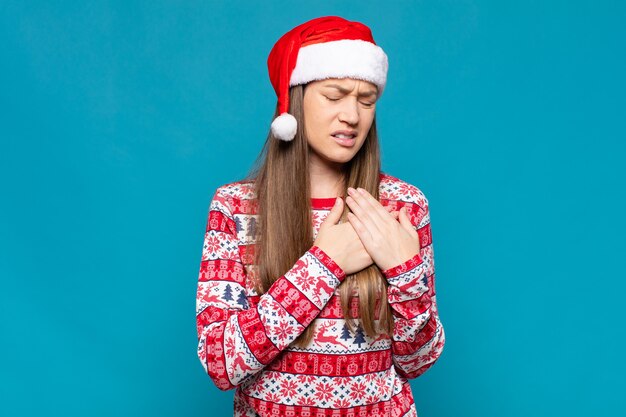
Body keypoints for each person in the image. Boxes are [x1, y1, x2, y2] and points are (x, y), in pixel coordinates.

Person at [195, 15, 445, 417]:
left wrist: (406, 273)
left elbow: (419, 361)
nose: (353, 116)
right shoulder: (236, 207)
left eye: (367, 101)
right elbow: (220, 364)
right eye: (335, 96)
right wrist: (324, 264)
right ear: (295, 99)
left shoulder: (402, 204)